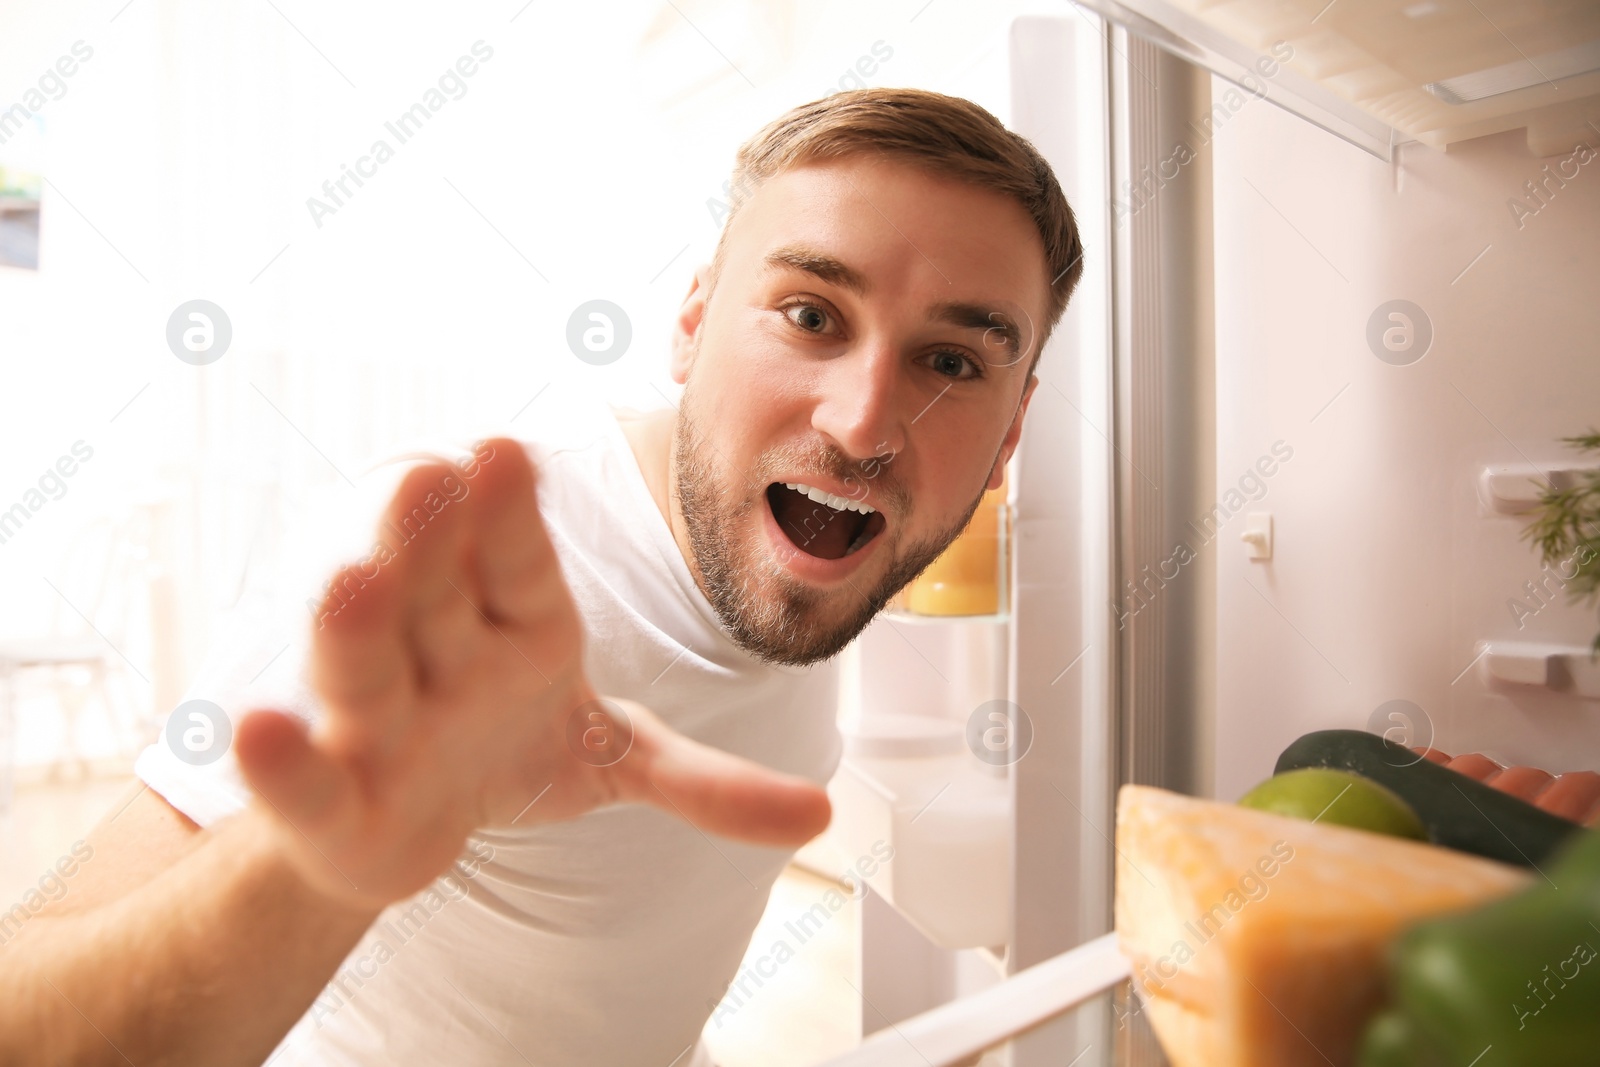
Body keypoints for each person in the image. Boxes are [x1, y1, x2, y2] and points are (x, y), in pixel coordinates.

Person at [0, 87, 1085, 1065]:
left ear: (1009, 432)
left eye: (950, 362)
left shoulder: (814, 555)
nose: (860, 424)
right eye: (809, 315)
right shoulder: (443, 559)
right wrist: (320, 859)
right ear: (694, 321)